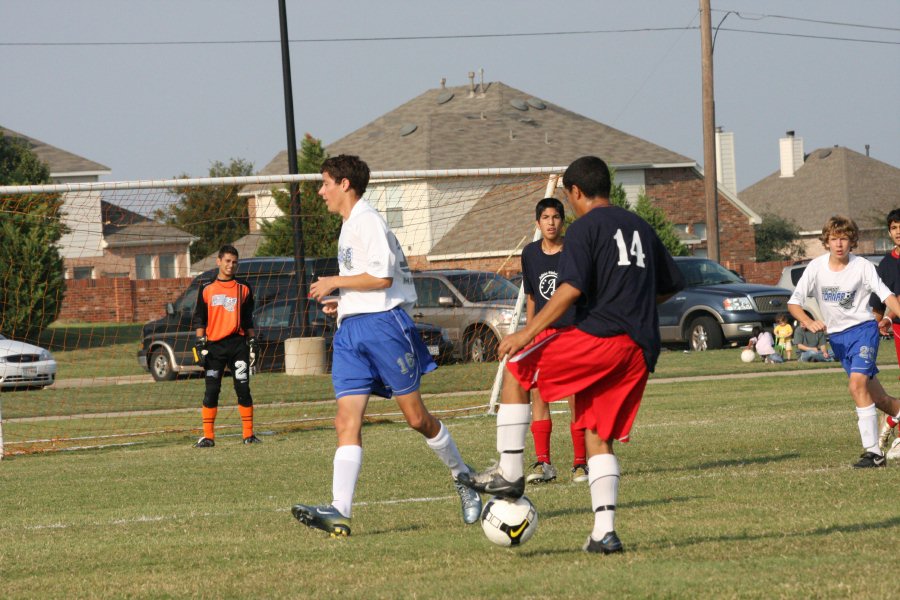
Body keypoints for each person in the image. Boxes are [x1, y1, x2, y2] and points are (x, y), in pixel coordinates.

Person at [458, 156, 685, 554]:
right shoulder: (641, 227)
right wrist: (632, 299)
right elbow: (671, 283)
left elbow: (569, 290)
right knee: (598, 435)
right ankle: (604, 533)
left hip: (602, 335)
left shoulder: (584, 229)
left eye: (568, 195)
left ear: (576, 192)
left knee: (517, 365)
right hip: (638, 348)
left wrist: (526, 332)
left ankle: (510, 471)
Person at [290, 154, 481, 537]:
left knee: (416, 419)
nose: (320, 190)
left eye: (325, 182)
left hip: (383, 328)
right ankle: (339, 511)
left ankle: (464, 476)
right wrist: (341, 300)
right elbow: (366, 282)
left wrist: (332, 282)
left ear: (345, 184)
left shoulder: (368, 221)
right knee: (345, 420)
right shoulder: (347, 227)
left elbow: (380, 278)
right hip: (350, 333)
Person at [787, 215, 900, 468]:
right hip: (838, 339)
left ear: (852, 241)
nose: (839, 244)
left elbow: (886, 295)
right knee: (879, 398)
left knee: (856, 385)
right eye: (834, 239)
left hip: (863, 331)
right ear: (826, 241)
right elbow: (794, 303)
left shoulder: (862, 266)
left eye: (844, 239)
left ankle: (874, 453)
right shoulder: (815, 268)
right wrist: (808, 321)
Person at [520, 197, 588, 485]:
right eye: (545, 217)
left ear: (563, 221)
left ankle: (580, 464)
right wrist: (529, 333)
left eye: (556, 217)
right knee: (540, 395)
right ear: (538, 223)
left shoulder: (574, 252)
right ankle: (543, 462)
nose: (551, 222)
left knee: (576, 397)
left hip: (571, 332)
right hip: (543, 335)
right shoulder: (530, 254)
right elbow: (533, 297)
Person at [192, 244, 260, 447]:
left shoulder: (244, 288)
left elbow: (248, 319)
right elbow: (199, 319)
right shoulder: (206, 289)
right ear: (218, 261)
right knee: (211, 391)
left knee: (243, 388)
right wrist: (199, 343)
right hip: (214, 347)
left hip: (238, 345)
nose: (231, 265)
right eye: (228, 261)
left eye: (234, 262)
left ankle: (248, 435)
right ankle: (208, 437)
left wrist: (252, 343)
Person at [869, 208, 900, 457]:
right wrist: (875, 326)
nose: (898, 232)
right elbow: (879, 305)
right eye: (894, 228)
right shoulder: (887, 265)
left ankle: (891, 423)